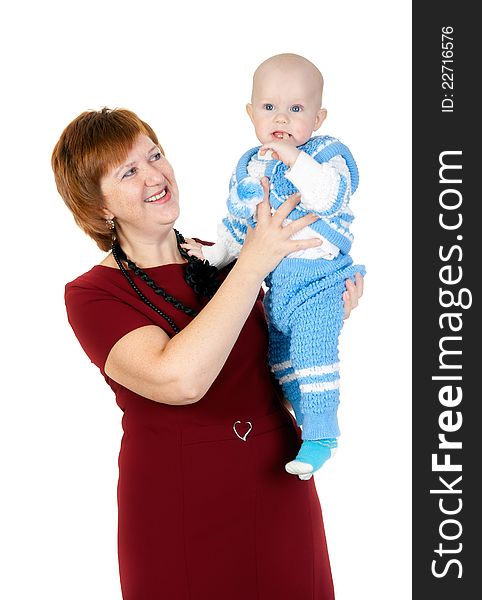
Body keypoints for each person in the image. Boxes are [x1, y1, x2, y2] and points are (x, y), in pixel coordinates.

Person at [52, 107, 363, 599]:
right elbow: (179, 380)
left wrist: (322, 312)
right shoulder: (93, 294)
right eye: (129, 171)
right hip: (179, 504)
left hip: (276, 484)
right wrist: (256, 259)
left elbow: (269, 372)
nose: (155, 176)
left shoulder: (224, 255)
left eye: (154, 156)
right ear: (99, 205)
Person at [182, 53, 366, 479]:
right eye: (269, 108)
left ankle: (322, 436)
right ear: (250, 112)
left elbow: (329, 196)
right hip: (278, 286)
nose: (281, 117)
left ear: (318, 118)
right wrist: (212, 255)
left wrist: (293, 158)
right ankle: (304, 419)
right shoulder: (249, 165)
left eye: (296, 109)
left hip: (320, 277)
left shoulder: (326, 154)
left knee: (313, 353)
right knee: (280, 360)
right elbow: (238, 224)